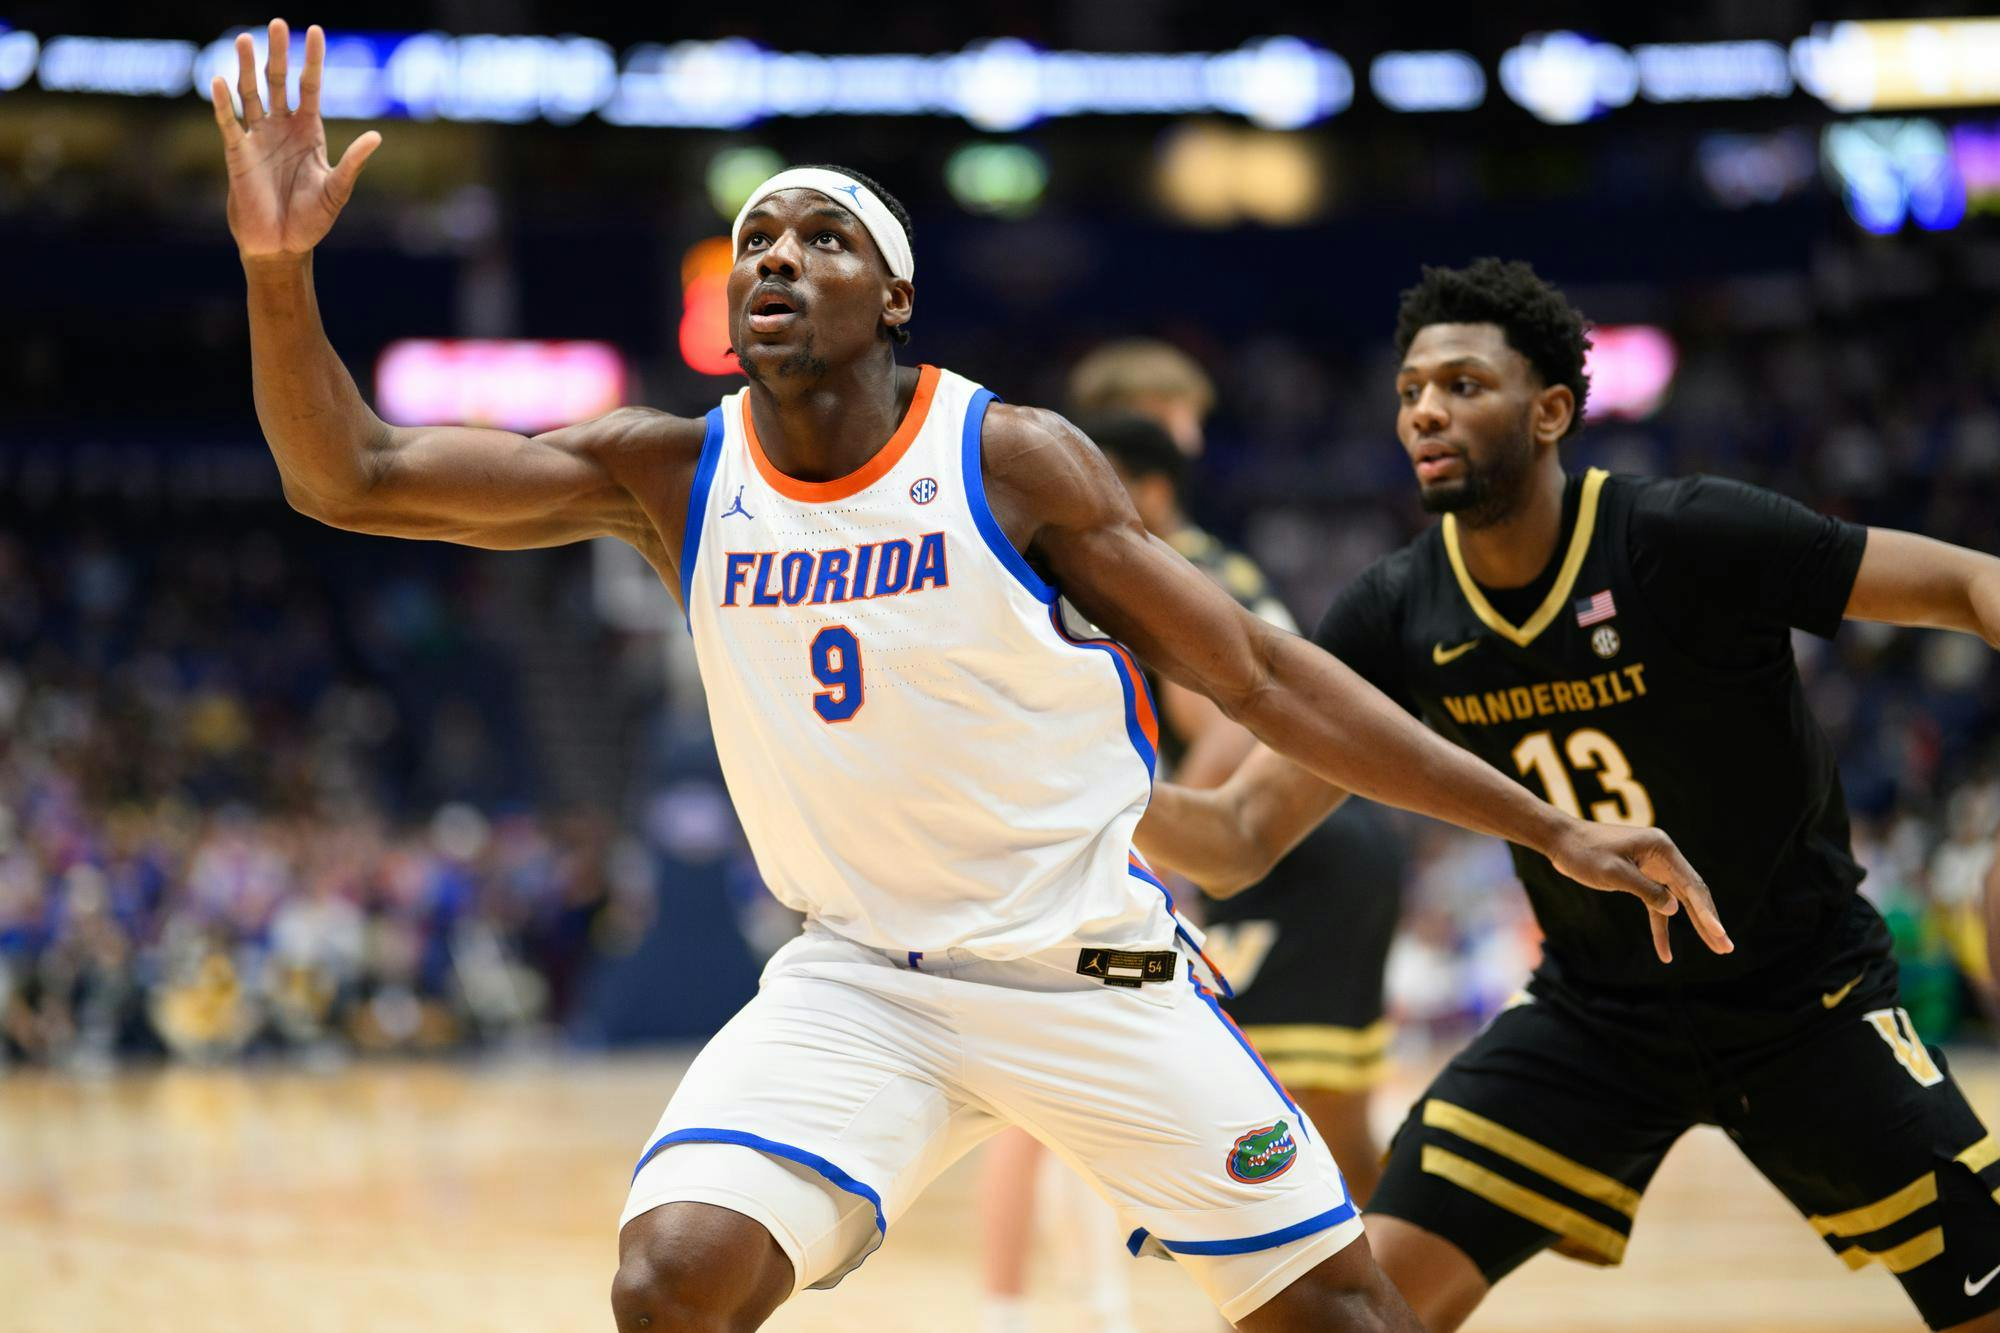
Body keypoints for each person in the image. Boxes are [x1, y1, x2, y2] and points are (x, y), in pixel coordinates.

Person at [211, 28, 1726, 1330]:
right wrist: (279, 271)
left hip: (1094, 977)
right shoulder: (667, 474)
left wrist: (1549, 828)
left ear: (895, 299)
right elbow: (353, 473)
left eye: (822, 238)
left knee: (1342, 1315)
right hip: (860, 982)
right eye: (755, 242)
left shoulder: (1011, 461)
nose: (776, 257)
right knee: (669, 1279)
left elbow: (1263, 673)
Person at [1135, 257, 2000, 1333]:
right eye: (1408, 391)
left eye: (1461, 384)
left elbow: (1970, 581)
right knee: (1338, 1311)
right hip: (1596, 1017)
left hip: (1802, 998)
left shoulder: (1685, 535)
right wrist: (1067, 787)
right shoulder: (1394, 608)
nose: (1423, 412)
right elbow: (1236, 835)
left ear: (1549, 411)